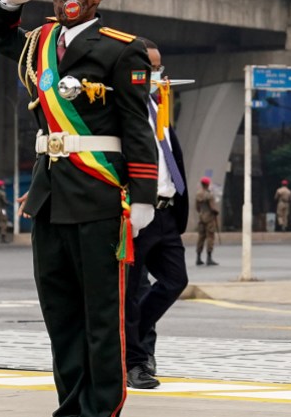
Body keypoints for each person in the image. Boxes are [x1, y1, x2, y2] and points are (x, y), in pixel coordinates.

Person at [0, 0, 158, 417]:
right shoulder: (39, 44)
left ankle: (100, 408)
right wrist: (7, 5)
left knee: (101, 316)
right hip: (49, 198)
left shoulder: (123, 52)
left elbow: (136, 128)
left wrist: (143, 196)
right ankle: (72, 407)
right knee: (60, 316)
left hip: (100, 196)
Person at [124, 38, 189, 389]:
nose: (155, 74)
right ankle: (135, 363)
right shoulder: (122, 111)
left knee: (175, 280)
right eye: (148, 67)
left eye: (158, 67)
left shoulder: (157, 106)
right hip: (136, 213)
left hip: (165, 212)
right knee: (132, 291)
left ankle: (133, 334)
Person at [195, 177, 219, 265]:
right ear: (208, 184)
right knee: (210, 237)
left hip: (201, 217)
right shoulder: (209, 195)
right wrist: (216, 212)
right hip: (209, 218)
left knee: (201, 237)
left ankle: (198, 257)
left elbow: (197, 207)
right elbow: (213, 207)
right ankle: (209, 258)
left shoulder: (198, 194)